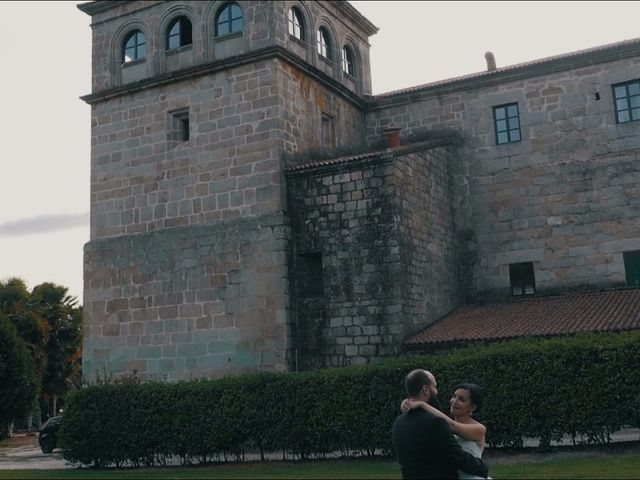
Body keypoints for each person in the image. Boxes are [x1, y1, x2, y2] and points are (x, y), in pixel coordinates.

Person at [392, 370, 489, 479]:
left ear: (472, 407)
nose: (454, 401)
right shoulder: (438, 422)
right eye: (454, 396)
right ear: (425, 389)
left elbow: (450, 425)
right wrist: (409, 402)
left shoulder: (399, 422)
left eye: (461, 399)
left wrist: (420, 403)